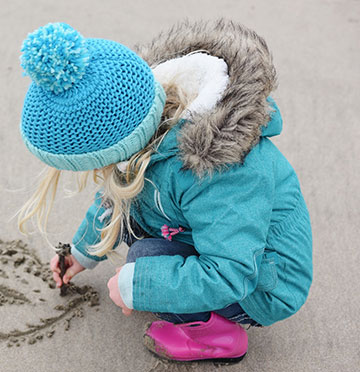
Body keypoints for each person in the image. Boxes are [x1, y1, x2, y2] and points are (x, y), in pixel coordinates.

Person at [16, 20, 312, 363]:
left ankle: (215, 337)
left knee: (144, 258)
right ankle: (172, 284)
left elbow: (233, 273)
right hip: (217, 236)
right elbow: (118, 196)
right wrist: (82, 253)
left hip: (264, 282)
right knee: (134, 222)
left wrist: (139, 285)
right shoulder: (144, 116)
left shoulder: (218, 173)